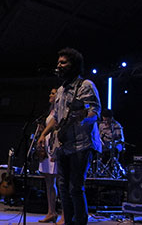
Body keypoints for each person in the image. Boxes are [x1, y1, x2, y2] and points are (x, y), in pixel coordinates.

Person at [38, 47, 101, 225]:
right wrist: (43, 134)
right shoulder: (60, 90)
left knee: (75, 187)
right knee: (63, 187)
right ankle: (68, 222)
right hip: (63, 146)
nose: (59, 65)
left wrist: (82, 117)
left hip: (81, 144)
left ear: (74, 65)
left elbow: (94, 112)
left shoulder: (86, 85)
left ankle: (80, 222)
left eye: (63, 62)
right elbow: (57, 118)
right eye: (58, 62)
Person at [37, 88, 64, 224]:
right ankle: (51, 212)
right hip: (47, 145)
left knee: (61, 181)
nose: (50, 95)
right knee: (49, 181)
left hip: (56, 145)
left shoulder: (61, 110)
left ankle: (65, 214)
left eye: (53, 93)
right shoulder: (50, 111)